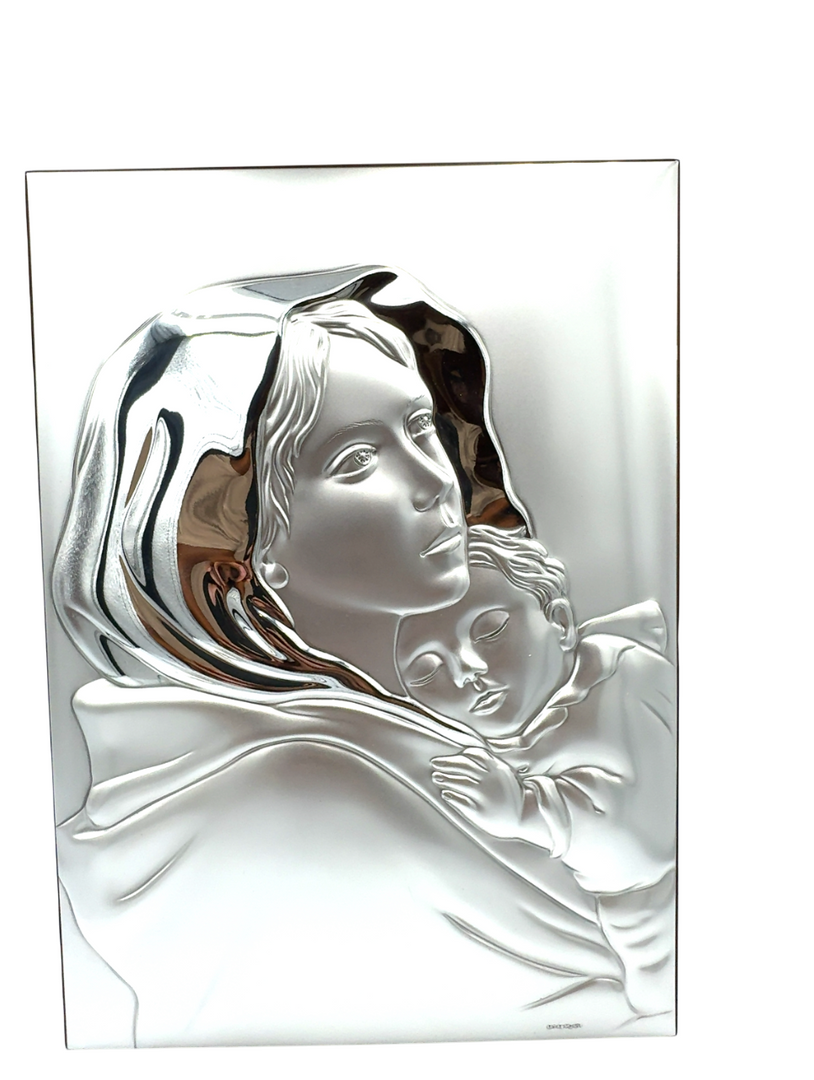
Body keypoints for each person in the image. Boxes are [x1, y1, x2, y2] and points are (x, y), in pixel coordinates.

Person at [50, 267, 645, 1046]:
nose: (434, 483)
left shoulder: (463, 714)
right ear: (239, 540)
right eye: (359, 460)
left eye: (423, 429)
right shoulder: (303, 788)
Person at [396, 526, 676, 1015]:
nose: (465, 669)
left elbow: (643, 840)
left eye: (490, 630)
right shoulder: (473, 737)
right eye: (426, 670)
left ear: (560, 622)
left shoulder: (626, 680)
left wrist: (526, 810)